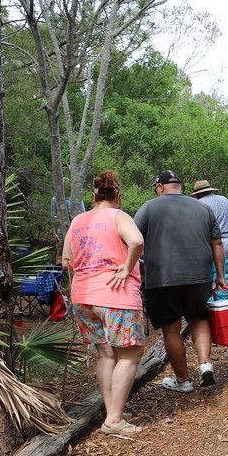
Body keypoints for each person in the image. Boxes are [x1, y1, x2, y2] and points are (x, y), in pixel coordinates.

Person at [62, 171, 145, 435]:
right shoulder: (119, 216)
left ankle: (112, 413)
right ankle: (114, 420)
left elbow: (66, 260)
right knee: (130, 354)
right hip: (115, 293)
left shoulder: (77, 221)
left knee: (106, 353)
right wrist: (126, 268)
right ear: (117, 196)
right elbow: (137, 241)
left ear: (94, 195)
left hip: (83, 296)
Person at [134, 170, 226, 393]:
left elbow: (133, 239)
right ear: (179, 186)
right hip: (199, 276)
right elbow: (217, 244)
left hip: (163, 278)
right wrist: (221, 275)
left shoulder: (149, 207)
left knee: (171, 329)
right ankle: (205, 364)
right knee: (199, 319)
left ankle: (183, 380)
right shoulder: (203, 208)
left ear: (160, 187)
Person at [192, 180, 228, 256]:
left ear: (198, 194)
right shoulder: (224, 199)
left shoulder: (200, 203)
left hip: (213, 244)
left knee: (213, 267)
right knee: (226, 267)